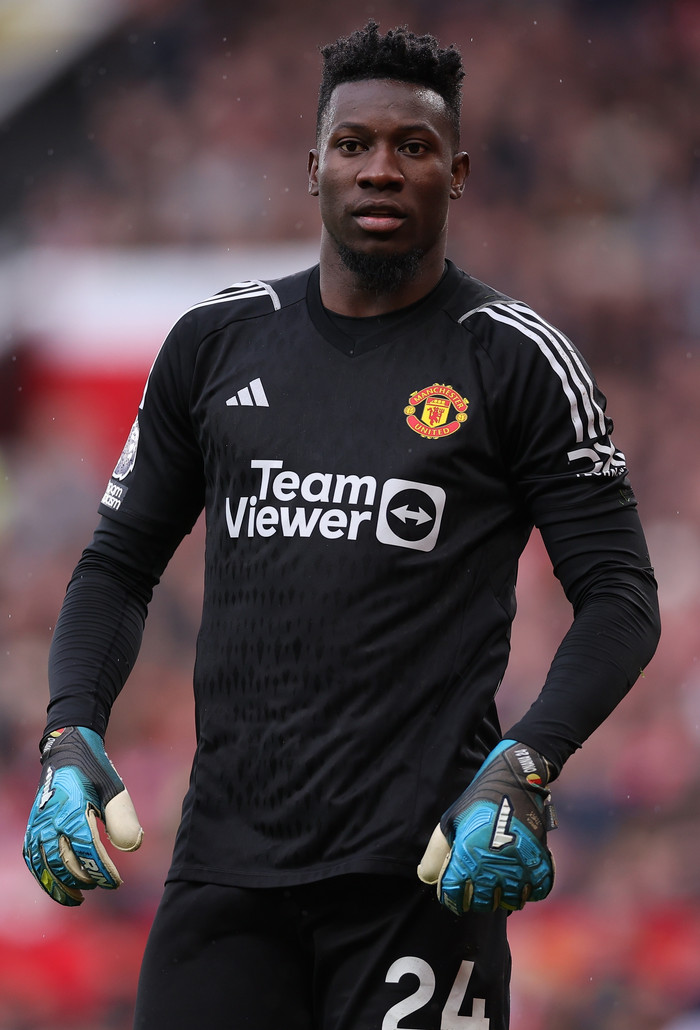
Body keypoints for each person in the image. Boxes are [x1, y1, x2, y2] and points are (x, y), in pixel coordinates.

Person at [23, 21, 660, 1030]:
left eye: (413, 147)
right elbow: (116, 566)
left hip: (423, 878)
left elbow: (620, 597)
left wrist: (526, 766)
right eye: (354, 144)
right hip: (225, 876)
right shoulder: (214, 342)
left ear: (457, 174)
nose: (381, 169)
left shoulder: (516, 359)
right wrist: (69, 729)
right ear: (313, 166)